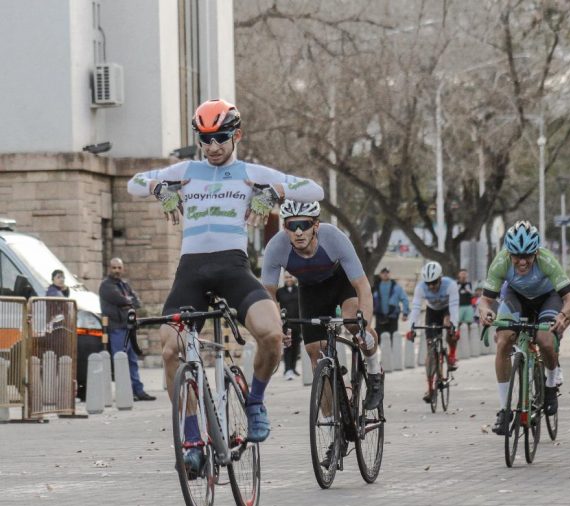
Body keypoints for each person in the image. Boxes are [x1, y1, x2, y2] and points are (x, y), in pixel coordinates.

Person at [127, 99, 324, 475]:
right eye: (205, 139)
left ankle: (255, 402)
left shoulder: (251, 173)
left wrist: (275, 192)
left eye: (220, 137)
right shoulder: (187, 171)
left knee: (270, 334)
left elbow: (314, 190)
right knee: (170, 352)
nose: (213, 146)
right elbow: (132, 183)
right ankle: (190, 439)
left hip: (233, 268)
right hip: (191, 272)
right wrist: (159, 188)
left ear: (237, 135)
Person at [261, 200, 383, 412]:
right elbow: (268, 293)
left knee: (354, 323)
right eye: (292, 226)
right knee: (314, 352)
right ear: (284, 228)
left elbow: (362, 285)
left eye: (305, 225)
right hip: (310, 289)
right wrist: (276, 327)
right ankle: (329, 422)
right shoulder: (275, 247)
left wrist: (365, 323)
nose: (298, 232)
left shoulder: (334, 237)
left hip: (341, 282)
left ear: (316, 225)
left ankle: (374, 374)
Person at [478, 221, 570, 435]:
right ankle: (505, 410)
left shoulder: (546, 260)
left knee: (545, 340)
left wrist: (563, 316)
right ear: (508, 253)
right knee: (504, 340)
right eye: (517, 256)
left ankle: (551, 385)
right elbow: (485, 301)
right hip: (516, 297)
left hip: (548, 298)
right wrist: (485, 312)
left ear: (536, 252)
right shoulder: (501, 261)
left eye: (528, 256)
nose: (522, 262)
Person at [99, 258, 155, 402]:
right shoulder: (106, 285)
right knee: (120, 360)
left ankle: (139, 391)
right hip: (116, 328)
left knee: (132, 360)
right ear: (109, 269)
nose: (117, 270)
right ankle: (125, 392)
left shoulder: (124, 285)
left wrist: (127, 301)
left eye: (119, 267)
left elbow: (137, 301)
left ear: (122, 269)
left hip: (129, 327)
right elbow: (120, 300)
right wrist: (127, 301)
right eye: (114, 267)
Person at [406, 261, 460, 402]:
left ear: (440, 278)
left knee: (449, 326)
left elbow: (454, 308)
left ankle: (452, 354)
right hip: (432, 312)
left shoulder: (450, 285)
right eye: (428, 283)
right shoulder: (421, 288)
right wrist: (411, 328)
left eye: (434, 282)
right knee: (430, 349)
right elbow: (416, 309)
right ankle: (430, 388)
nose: (431, 286)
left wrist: (455, 327)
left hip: (446, 309)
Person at [276, 272, 302, 380]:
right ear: (284, 279)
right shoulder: (280, 292)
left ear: (294, 278)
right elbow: (276, 305)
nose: (288, 279)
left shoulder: (299, 290)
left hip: (298, 322)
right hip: (286, 323)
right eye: (286, 277)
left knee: (296, 346)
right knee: (288, 346)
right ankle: (287, 369)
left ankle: (293, 368)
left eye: (290, 277)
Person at [372, 267, 409, 339]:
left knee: (393, 338)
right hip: (380, 317)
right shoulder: (375, 287)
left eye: (387, 272)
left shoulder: (397, 287)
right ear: (380, 274)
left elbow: (405, 299)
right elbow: (370, 301)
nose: (385, 274)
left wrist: (405, 313)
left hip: (393, 317)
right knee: (379, 338)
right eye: (383, 272)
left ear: (390, 274)